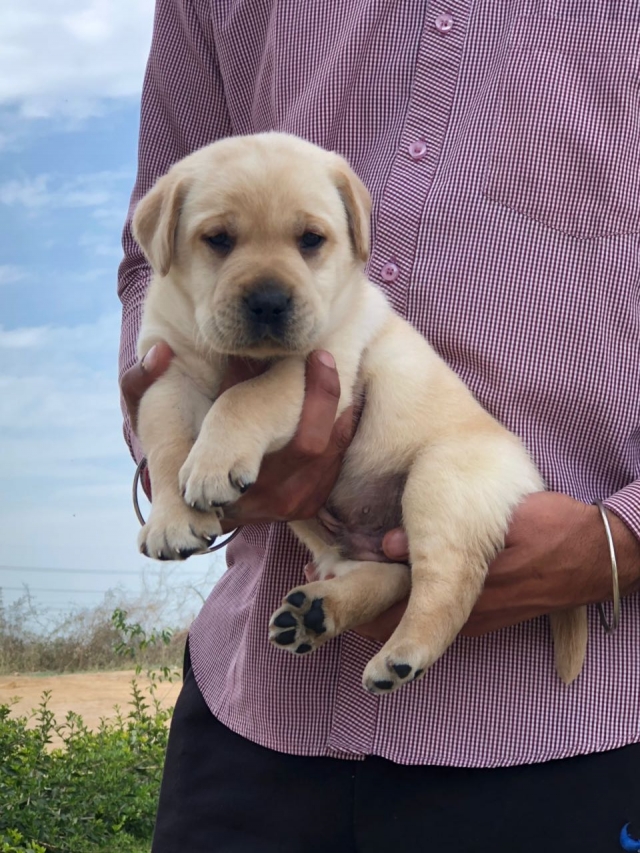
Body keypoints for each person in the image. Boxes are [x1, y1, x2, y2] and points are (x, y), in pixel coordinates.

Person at [118, 2, 640, 850]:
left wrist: (625, 535)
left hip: (564, 719)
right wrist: (178, 467)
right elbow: (152, 265)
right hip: (254, 705)